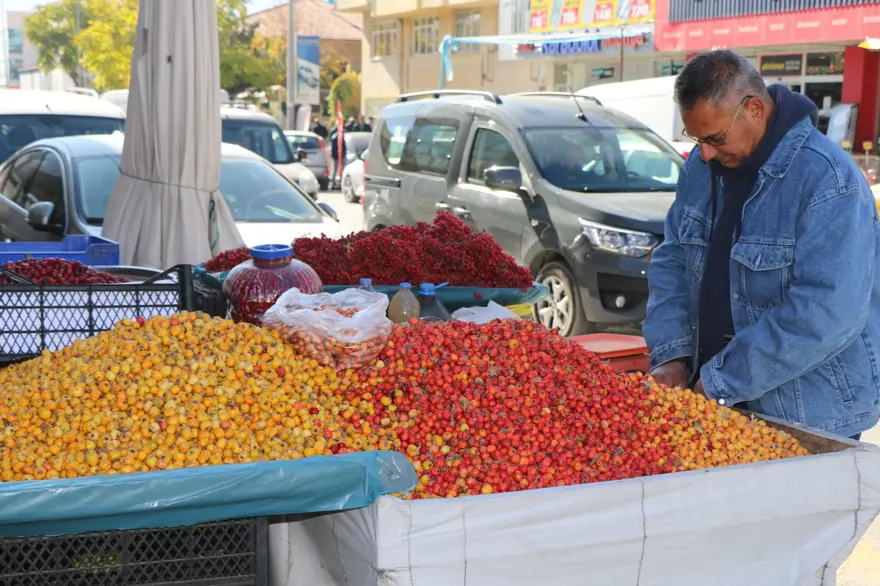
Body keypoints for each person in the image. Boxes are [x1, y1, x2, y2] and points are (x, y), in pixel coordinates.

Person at [643, 49, 880, 441]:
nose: (705, 153)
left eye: (715, 138)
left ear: (754, 108)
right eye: (697, 139)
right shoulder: (701, 167)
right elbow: (672, 259)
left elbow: (826, 312)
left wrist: (722, 380)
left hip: (807, 419)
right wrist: (674, 356)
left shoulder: (828, 180)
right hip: (715, 403)